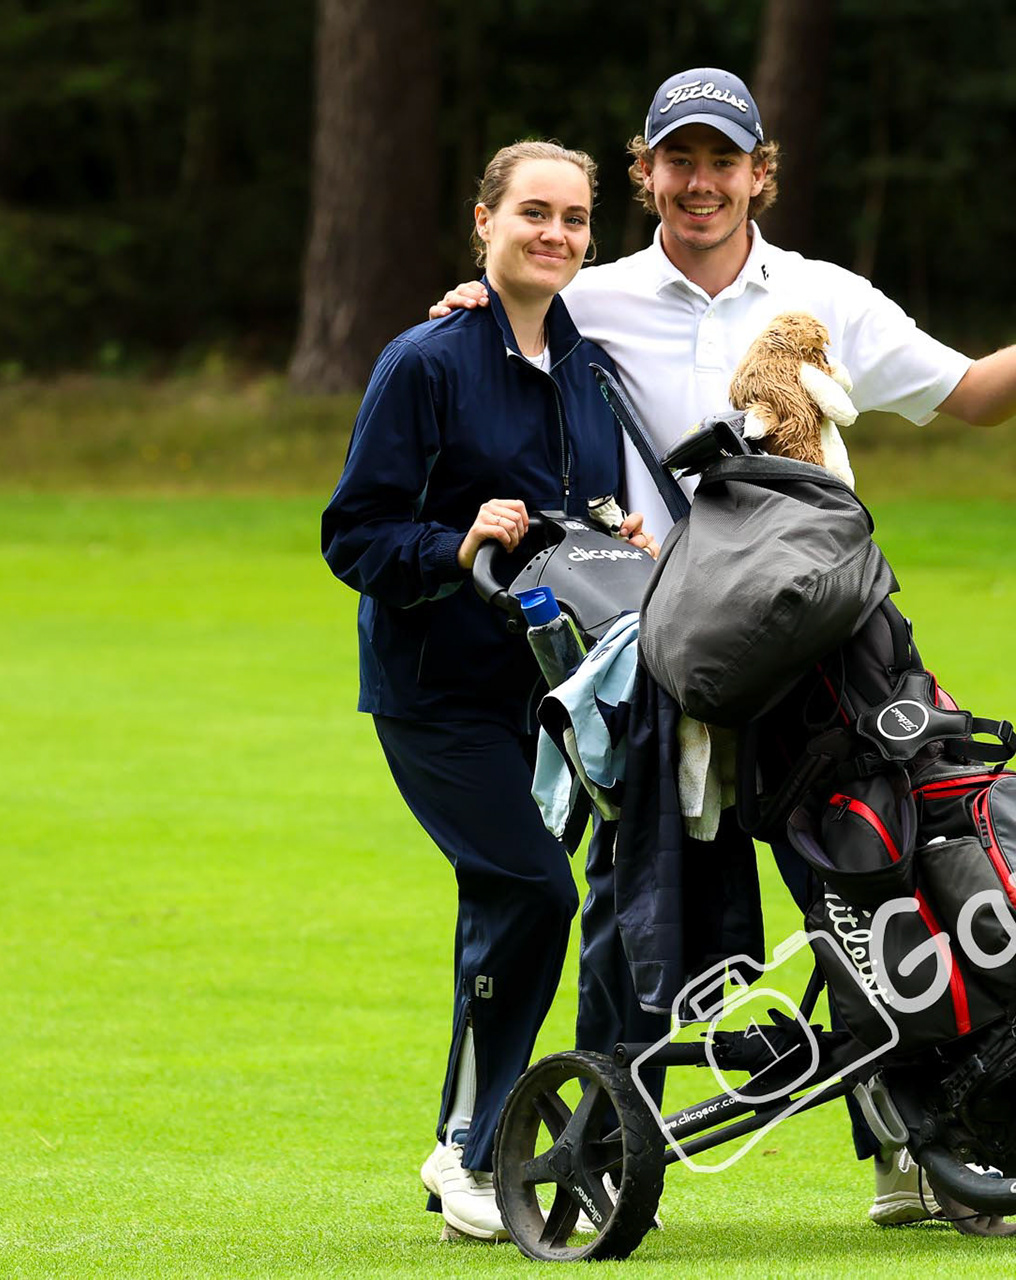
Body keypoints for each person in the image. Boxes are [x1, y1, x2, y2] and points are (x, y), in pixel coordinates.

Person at [428, 67, 1016, 1228]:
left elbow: (971, 396)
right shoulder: (589, 294)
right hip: (664, 645)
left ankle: (913, 1142)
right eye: (679, 160)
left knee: (868, 880)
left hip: (816, 647)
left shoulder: (827, 297)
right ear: (644, 171)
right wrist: (471, 300)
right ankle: (595, 1142)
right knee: (638, 905)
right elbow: (502, 331)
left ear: (761, 173)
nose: (701, 183)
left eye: (723, 160)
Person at [322, 139, 654, 1244]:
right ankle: (470, 1147)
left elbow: (583, 513)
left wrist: (619, 535)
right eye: (533, 213)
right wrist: (456, 540)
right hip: (435, 691)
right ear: (484, 221)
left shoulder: (587, 368)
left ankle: (462, 1143)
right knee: (534, 891)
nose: (553, 234)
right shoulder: (424, 360)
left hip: (548, 698)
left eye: (572, 218)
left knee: (503, 901)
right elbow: (354, 532)